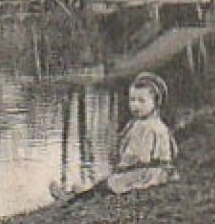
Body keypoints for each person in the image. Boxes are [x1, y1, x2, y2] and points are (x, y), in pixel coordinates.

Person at [51, 72, 177, 201]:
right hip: (156, 171)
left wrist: (123, 166)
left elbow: (140, 156)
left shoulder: (147, 127)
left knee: (108, 184)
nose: (135, 105)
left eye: (141, 101)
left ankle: (72, 197)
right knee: (105, 180)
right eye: (132, 100)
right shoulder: (151, 123)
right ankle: (78, 192)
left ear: (155, 102)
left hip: (148, 173)